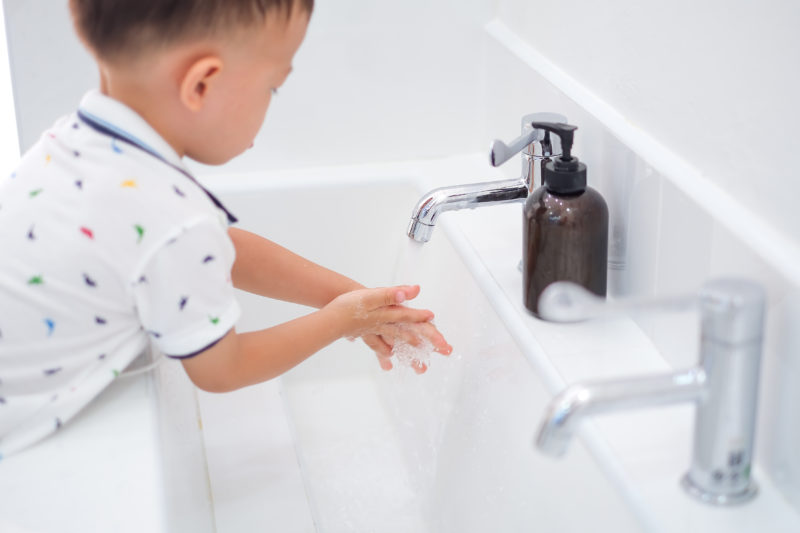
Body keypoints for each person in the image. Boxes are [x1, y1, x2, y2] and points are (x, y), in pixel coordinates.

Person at [0, 0, 451, 457]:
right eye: (273, 88)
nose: (272, 103)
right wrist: (341, 321)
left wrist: (351, 298)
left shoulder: (77, 140)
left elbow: (220, 248)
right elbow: (221, 369)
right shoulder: (172, 216)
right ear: (200, 84)